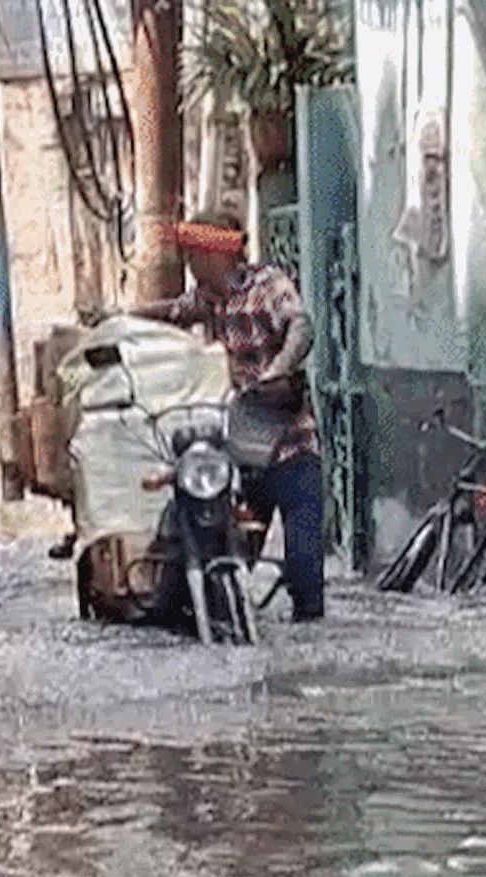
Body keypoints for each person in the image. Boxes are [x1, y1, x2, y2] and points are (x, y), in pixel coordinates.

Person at [135, 209, 325, 623]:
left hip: (291, 445)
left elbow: (300, 326)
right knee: (219, 546)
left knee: (305, 571)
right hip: (243, 447)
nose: (188, 264)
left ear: (213, 253)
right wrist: (123, 315)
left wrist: (279, 369)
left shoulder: (267, 285)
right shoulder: (210, 298)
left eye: (193, 254)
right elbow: (174, 311)